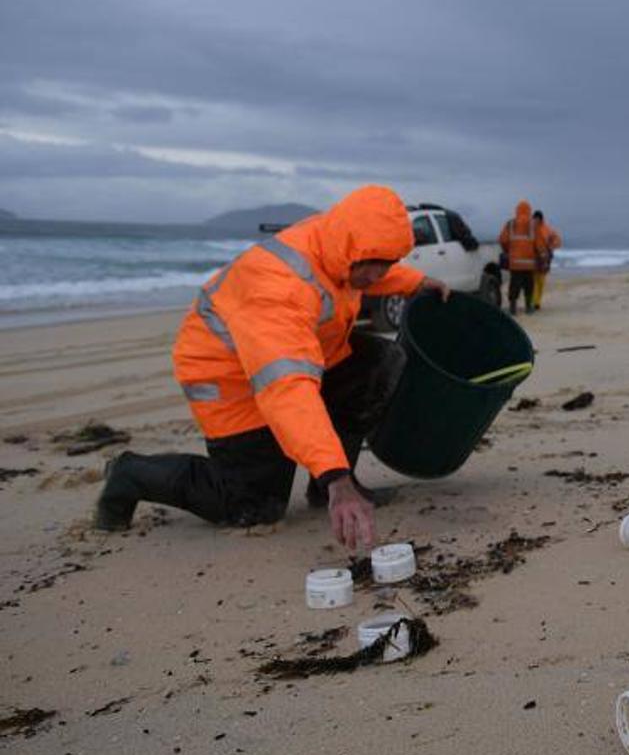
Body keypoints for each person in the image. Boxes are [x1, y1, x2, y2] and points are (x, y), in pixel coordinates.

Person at [93, 185, 451, 549]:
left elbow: (364, 272)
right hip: (232, 382)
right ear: (348, 245)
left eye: (388, 262)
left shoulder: (334, 244)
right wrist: (335, 478)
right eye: (374, 262)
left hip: (302, 360)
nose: (380, 274)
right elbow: (288, 387)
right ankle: (130, 473)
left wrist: (417, 283)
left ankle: (322, 488)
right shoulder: (277, 287)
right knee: (255, 506)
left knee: (380, 361)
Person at [498, 200, 546, 315]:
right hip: (529, 264)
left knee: (514, 285)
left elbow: (502, 240)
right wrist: (543, 258)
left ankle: (513, 309)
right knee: (529, 286)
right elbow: (540, 244)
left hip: (514, 263)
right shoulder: (534, 225)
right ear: (529, 211)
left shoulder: (510, 224)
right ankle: (528, 308)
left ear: (517, 211)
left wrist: (507, 250)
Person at [530, 209, 562, 310]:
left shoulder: (547, 229)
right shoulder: (530, 229)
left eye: (538, 219)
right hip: (533, 258)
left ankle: (537, 301)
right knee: (534, 280)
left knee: (541, 281)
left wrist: (551, 246)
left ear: (541, 219)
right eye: (534, 218)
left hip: (545, 258)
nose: (536, 220)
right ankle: (534, 302)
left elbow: (557, 240)